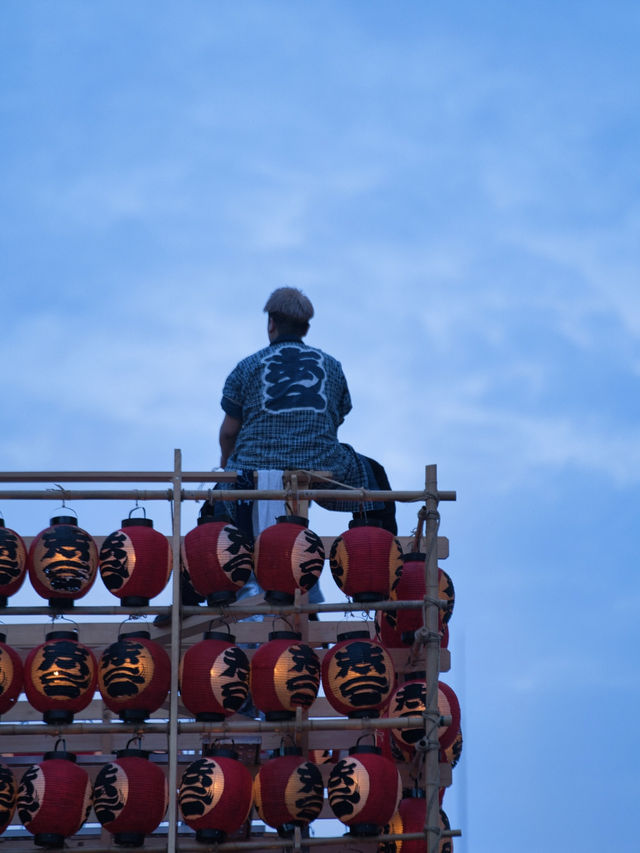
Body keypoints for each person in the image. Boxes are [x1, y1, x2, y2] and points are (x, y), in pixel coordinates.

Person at [218, 287, 397, 533]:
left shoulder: (247, 367)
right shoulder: (332, 366)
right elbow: (336, 418)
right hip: (323, 464)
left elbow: (229, 433)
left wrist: (227, 464)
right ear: (305, 328)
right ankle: (377, 553)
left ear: (271, 323)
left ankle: (222, 559)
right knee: (374, 478)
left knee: (215, 504)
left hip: (253, 465)